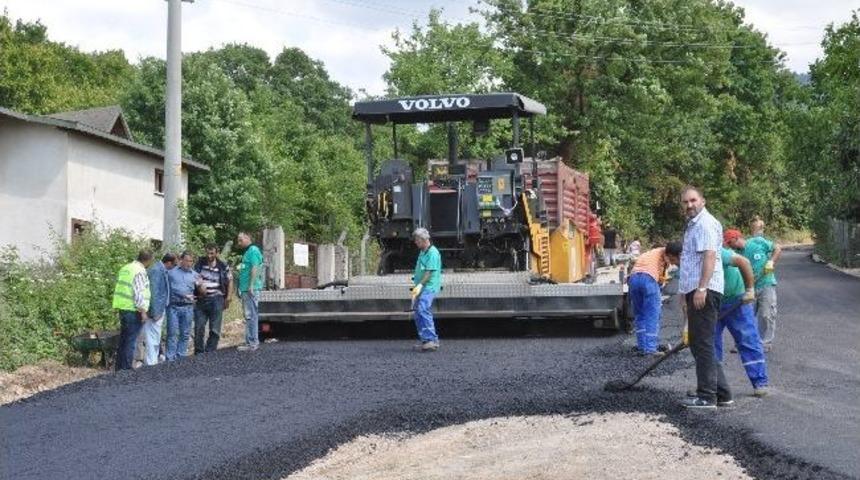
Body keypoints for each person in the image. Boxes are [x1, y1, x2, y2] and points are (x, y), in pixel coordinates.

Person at [678, 185, 730, 409]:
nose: (689, 205)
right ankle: (722, 393)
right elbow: (691, 261)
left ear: (703, 201)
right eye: (686, 202)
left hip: (705, 291)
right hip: (697, 289)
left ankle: (707, 396)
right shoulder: (694, 225)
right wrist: (684, 293)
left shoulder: (705, 224)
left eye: (693, 200)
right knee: (700, 342)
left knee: (703, 343)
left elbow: (709, 256)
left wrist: (701, 288)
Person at [715, 234, 769, 396]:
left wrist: (750, 290)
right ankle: (712, 384)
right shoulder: (687, 263)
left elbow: (743, 262)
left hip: (736, 300)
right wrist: (688, 326)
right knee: (709, 344)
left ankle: (760, 382)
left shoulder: (718, 252)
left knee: (747, 339)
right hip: (713, 304)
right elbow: (685, 295)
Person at [725, 221, 781, 351]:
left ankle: (765, 343)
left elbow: (777, 248)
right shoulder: (735, 254)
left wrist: (771, 262)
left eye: (730, 243)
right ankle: (744, 343)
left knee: (766, 314)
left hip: (766, 283)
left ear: (736, 238)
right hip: (749, 287)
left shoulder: (757, 243)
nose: (729, 246)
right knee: (745, 316)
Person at [628, 242, 683, 356]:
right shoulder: (663, 256)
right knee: (653, 315)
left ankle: (642, 346)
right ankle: (651, 349)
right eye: (675, 259)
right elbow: (660, 279)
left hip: (633, 279)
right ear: (670, 255)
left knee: (640, 314)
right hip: (648, 279)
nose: (675, 262)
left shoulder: (652, 253)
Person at [112, 250, 153, 371]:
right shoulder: (139, 271)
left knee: (123, 339)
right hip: (133, 310)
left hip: (123, 308)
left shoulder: (126, 268)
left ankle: (119, 368)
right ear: (148, 260)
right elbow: (138, 292)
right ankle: (126, 369)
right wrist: (143, 312)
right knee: (131, 340)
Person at [193, 243, 233, 354]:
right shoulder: (199, 263)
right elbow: (194, 276)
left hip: (217, 299)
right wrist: (199, 285)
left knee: (215, 329)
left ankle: (210, 352)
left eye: (212, 253)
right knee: (199, 327)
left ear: (217, 253)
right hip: (201, 299)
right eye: (207, 253)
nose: (209, 255)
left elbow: (230, 280)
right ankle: (199, 352)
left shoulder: (223, 265)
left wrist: (228, 297)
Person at [166, 251, 201, 361]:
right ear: (181, 260)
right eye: (187, 261)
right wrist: (182, 295)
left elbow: (200, 290)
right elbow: (168, 289)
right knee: (172, 333)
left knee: (185, 334)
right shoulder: (171, 273)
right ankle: (170, 359)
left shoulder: (195, 275)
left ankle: (181, 357)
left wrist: (200, 290)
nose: (189, 263)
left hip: (188, 308)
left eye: (191, 261)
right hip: (174, 307)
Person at [411, 227, 442, 352]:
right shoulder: (423, 251)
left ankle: (432, 340)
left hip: (429, 286)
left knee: (423, 309)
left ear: (424, 240)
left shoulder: (433, 253)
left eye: (417, 240)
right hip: (421, 286)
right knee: (417, 312)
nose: (415, 242)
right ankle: (425, 340)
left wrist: (418, 286)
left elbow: (428, 273)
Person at [142, 253, 176, 366]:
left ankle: (153, 360)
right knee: (152, 337)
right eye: (174, 265)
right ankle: (151, 363)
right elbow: (154, 292)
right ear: (169, 263)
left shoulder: (159, 269)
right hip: (155, 311)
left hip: (159, 309)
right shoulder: (157, 271)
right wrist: (155, 312)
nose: (175, 267)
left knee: (155, 337)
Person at [237, 232, 263, 352]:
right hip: (245, 289)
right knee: (248, 316)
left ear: (248, 238)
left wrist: (251, 285)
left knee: (251, 315)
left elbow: (255, 267)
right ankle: (250, 342)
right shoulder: (247, 252)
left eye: (241, 240)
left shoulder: (253, 250)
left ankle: (252, 343)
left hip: (250, 289)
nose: (239, 243)